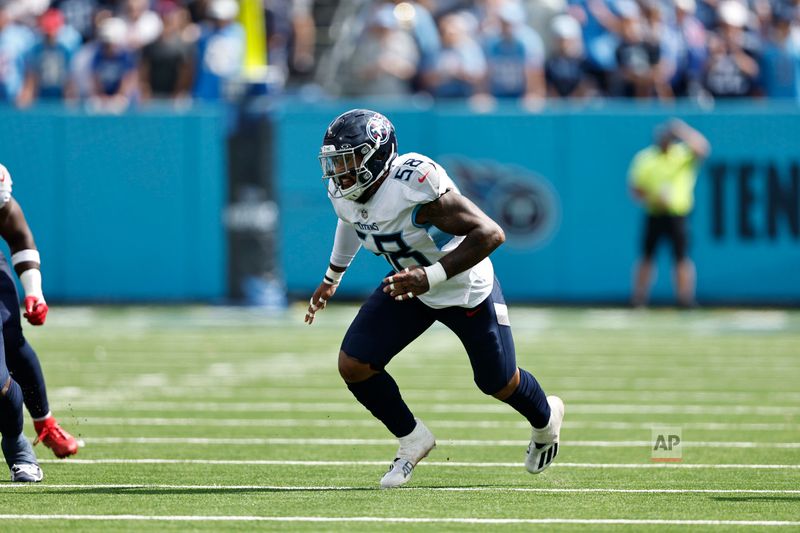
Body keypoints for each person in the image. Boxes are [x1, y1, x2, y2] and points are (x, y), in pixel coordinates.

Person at [304, 109, 564, 489]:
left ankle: (546, 420)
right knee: (354, 364)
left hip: (463, 287)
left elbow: (490, 234)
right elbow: (351, 217)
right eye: (336, 162)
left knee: (498, 381)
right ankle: (412, 439)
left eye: (348, 160)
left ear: (376, 155)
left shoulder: (414, 185)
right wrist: (332, 277)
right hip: (410, 285)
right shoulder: (346, 191)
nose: (339, 172)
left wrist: (431, 276)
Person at [629, 119, 711, 308]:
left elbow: (703, 149)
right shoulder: (646, 158)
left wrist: (682, 130)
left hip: (678, 214)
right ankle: (638, 298)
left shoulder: (682, 155)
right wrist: (653, 198)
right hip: (655, 212)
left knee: (681, 257)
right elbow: (635, 189)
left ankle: (685, 298)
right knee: (647, 256)